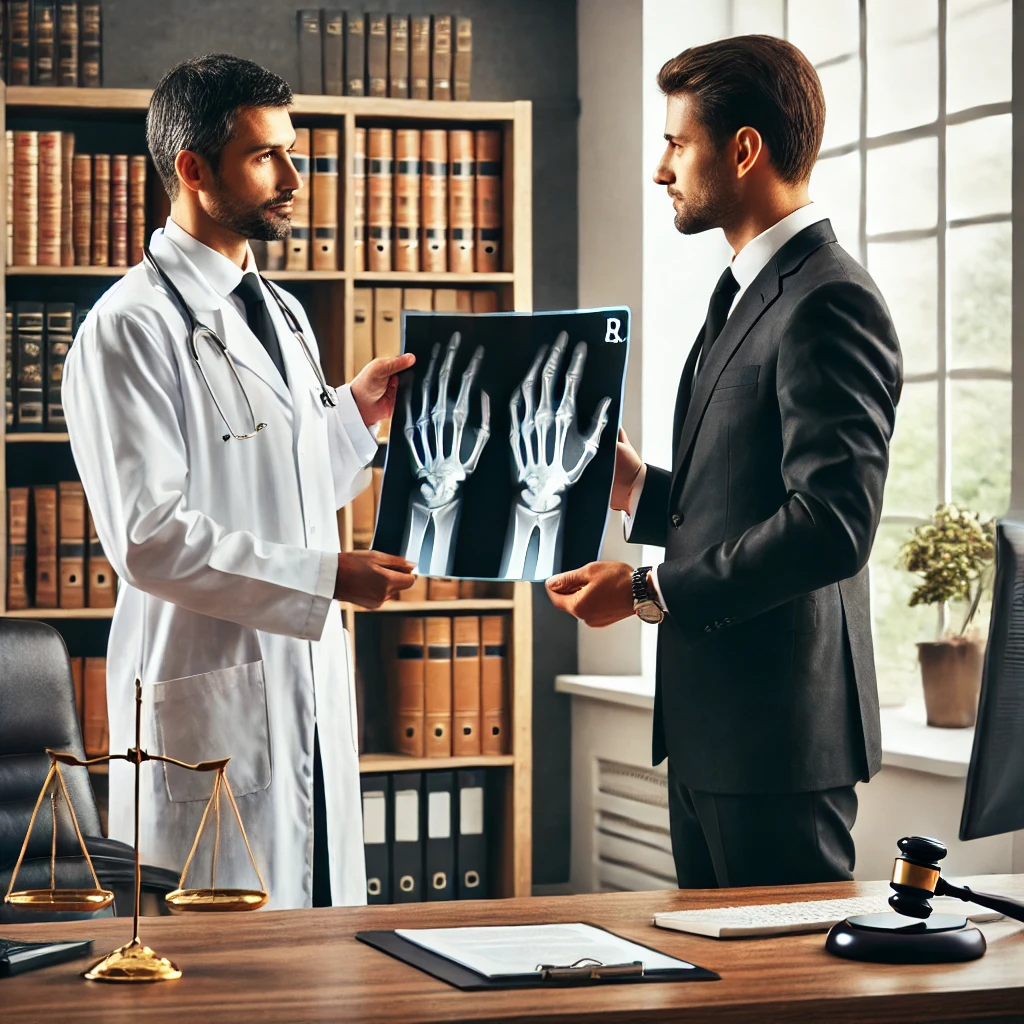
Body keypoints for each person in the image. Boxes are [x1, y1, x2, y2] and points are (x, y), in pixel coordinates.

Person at [546, 36, 902, 888]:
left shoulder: (830, 300)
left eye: (677, 142)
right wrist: (639, 487)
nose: (661, 169)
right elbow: (755, 497)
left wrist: (644, 592)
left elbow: (831, 525)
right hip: (715, 736)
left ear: (742, 151)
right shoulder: (747, 292)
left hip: (778, 745)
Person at [62, 54, 417, 910]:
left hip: (307, 685)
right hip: (212, 692)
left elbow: (285, 480)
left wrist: (352, 417)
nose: (294, 178)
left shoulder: (284, 312)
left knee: (324, 948)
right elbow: (149, 538)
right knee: (224, 970)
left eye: (292, 153)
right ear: (191, 169)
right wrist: (329, 576)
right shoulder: (129, 327)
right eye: (266, 157)